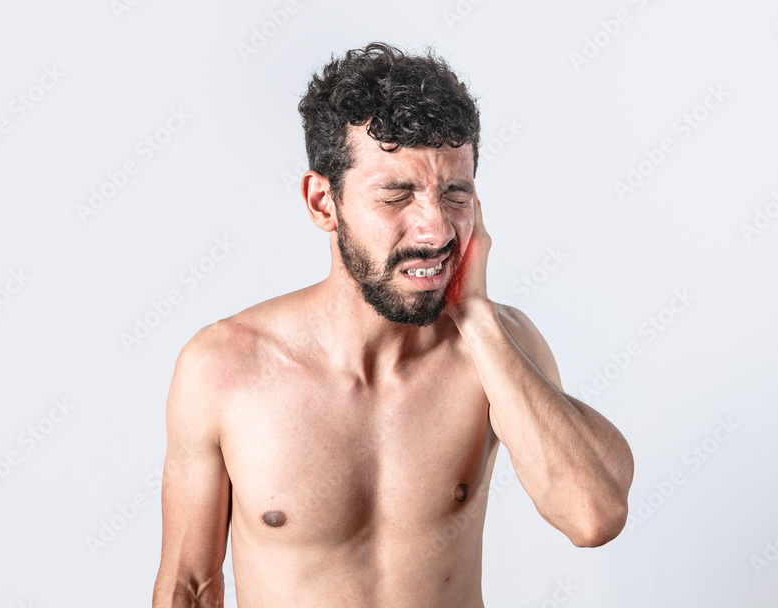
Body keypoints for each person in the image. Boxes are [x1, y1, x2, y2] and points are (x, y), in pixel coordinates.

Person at [152, 41, 634, 608]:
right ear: (322, 203)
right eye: (396, 194)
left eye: (455, 193)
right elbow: (190, 585)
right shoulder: (223, 368)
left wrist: (474, 316)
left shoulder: (498, 348)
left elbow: (593, 516)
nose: (435, 230)